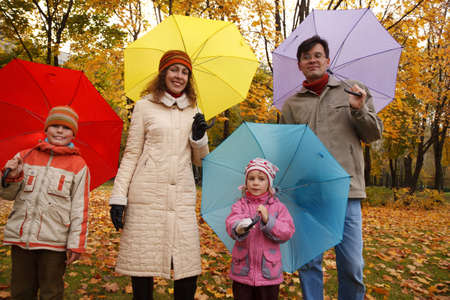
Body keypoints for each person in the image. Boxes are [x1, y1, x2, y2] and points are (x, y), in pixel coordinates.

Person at [280, 35, 383, 299]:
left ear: (327, 60)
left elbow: (373, 135)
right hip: (307, 192)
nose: (312, 60)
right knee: (309, 263)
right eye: (306, 57)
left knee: (351, 265)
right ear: (299, 65)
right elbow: (287, 149)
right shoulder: (291, 104)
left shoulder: (353, 90)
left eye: (317, 55)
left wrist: (359, 109)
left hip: (346, 190)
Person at [109, 50, 210, 300]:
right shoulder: (144, 106)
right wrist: (118, 197)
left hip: (182, 196)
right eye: (174, 70)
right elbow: (132, 153)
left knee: (186, 266)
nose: (179, 76)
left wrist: (199, 138)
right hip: (146, 195)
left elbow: (201, 160)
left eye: (185, 72)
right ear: (164, 73)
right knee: (143, 265)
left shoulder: (195, 110)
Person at [0, 106, 90, 300]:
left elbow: (80, 207)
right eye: (55, 126)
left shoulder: (78, 166)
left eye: (66, 128)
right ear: (46, 129)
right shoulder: (25, 156)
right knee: (21, 290)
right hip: (21, 238)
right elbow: (8, 195)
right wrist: (10, 177)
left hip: (54, 242)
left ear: (73, 133)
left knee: (51, 291)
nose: (59, 131)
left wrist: (76, 244)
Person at [225, 158, 295, 300]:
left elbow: (287, 231)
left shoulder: (278, 207)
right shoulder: (240, 204)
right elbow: (231, 221)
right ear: (246, 182)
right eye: (251, 178)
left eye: (261, 179)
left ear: (269, 182)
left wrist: (269, 220)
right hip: (243, 271)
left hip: (268, 272)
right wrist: (239, 227)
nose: (255, 182)